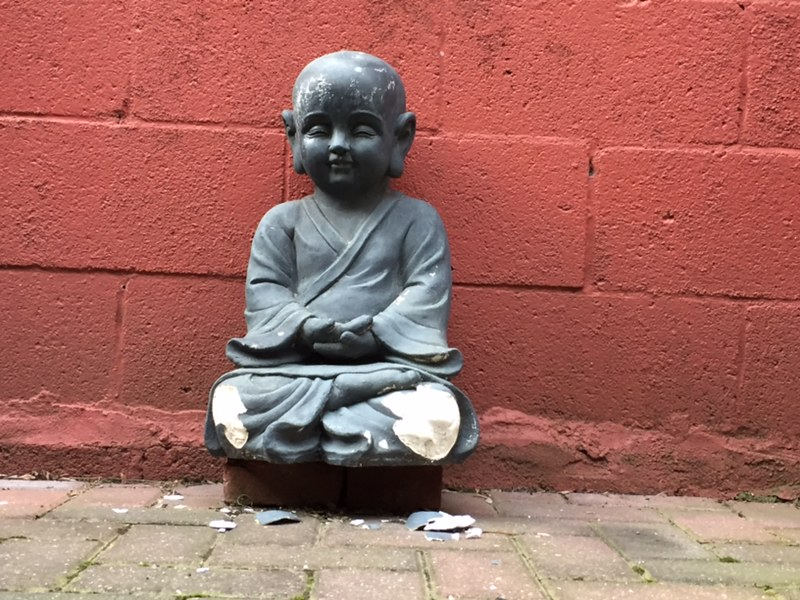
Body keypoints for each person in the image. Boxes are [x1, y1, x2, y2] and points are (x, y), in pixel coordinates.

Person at [205, 51, 478, 466]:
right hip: (295, 374)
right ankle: (342, 425)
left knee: (435, 410)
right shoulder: (283, 223)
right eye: (318, 129)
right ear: (294, 136)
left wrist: (375, 334)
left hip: (382, 374)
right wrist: (307, 327)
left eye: (362, 130)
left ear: (400, 138)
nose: (338, 145)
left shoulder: (417, 221)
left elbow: (425, 296)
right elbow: (267, 293)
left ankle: (310, 427)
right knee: (237, 399)